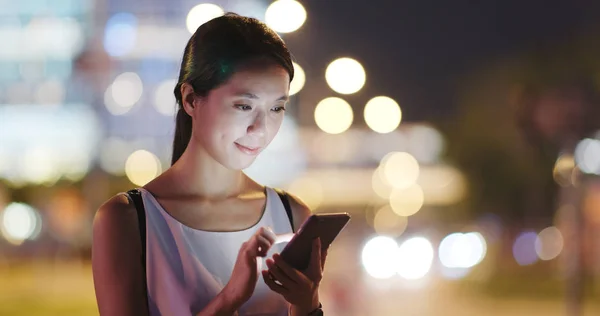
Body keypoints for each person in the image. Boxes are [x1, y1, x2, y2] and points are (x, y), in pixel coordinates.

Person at [92, 13, 326, 316]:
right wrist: (229, 299)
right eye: (244, 105)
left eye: (276, 108)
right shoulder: (128, 219)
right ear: (190, 99)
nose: (261, 127)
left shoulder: (292, 215)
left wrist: (307, 306)